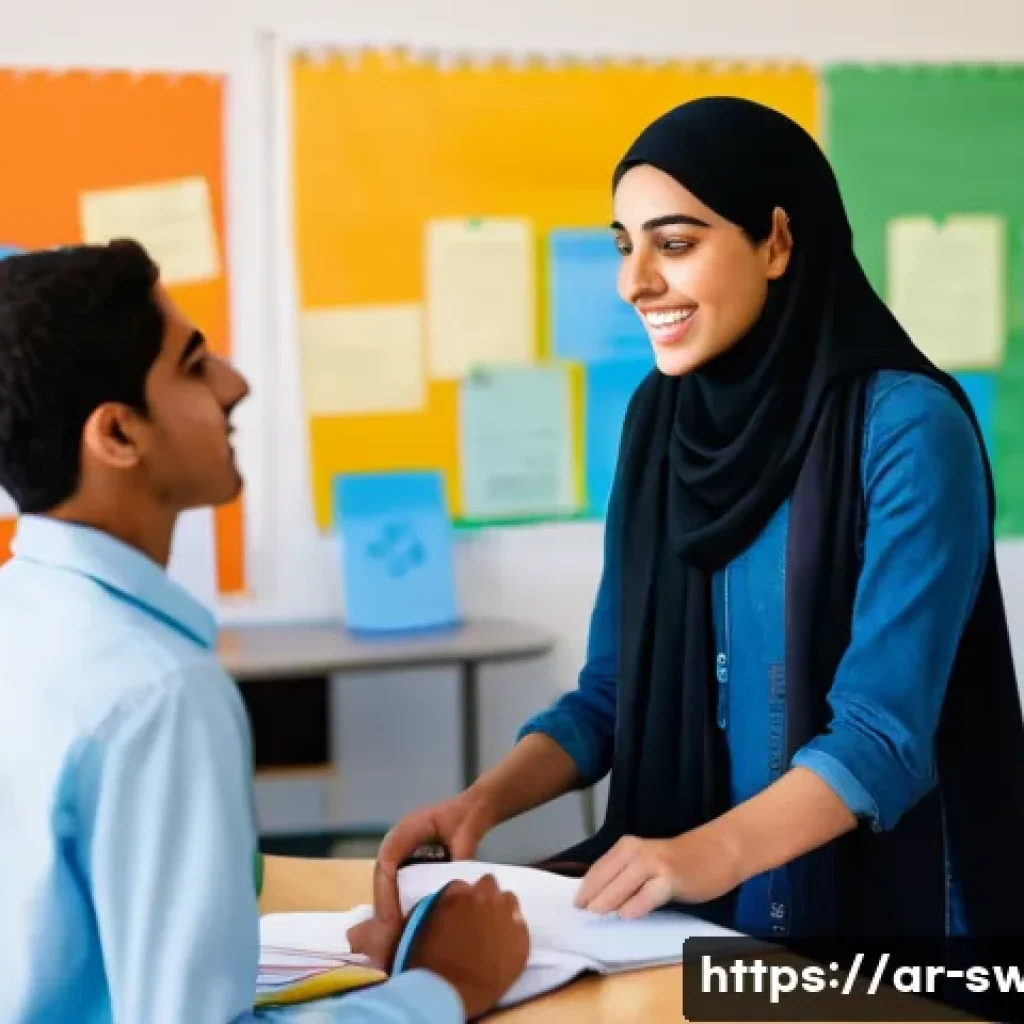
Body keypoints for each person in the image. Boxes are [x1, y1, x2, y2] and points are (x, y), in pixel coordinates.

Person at [365, 97, 1024, 950]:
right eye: (623, 246)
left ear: (777, 241)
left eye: (673, 244)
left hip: (890, 929)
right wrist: (479, 804)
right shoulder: (659, 421)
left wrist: (697, 858)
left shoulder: (907, 429)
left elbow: (881, 739)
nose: (634, 282)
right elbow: (610, 695)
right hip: (686, 923)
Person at [0, 241, 527, 1024]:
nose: (234, 383)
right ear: (117, 435)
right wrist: (444, 985)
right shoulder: (160, 692)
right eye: (194, 365)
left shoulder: (22, 615)